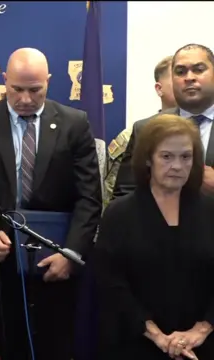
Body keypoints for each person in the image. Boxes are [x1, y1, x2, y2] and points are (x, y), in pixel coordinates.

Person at [0, 48, 102, 360]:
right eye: (16, 89)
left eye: (35, 90)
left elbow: (89, 197)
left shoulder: (75, 124)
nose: (24, 99)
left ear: (49, 82)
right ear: (4, 80)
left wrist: (72, 254)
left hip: (55, 261)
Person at [94, 114, 214, 360]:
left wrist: (201, 330)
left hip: (203, 345)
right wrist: (157, 336)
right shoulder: (119, 215)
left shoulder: (210, 210)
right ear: (148, 159)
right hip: (136, 344)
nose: (178, 166)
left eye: (186, 157)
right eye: (167, 156)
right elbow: (111, 285)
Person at [113, 43, 214, 199]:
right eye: (180, 72)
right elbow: (125, 194)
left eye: (199, 70)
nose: (189, 77)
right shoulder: (146, 129)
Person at [104, 55, 177, 205]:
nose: (185, 80)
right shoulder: (136, 133)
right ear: (159, 88)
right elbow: (112, 190)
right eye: (177, 74)